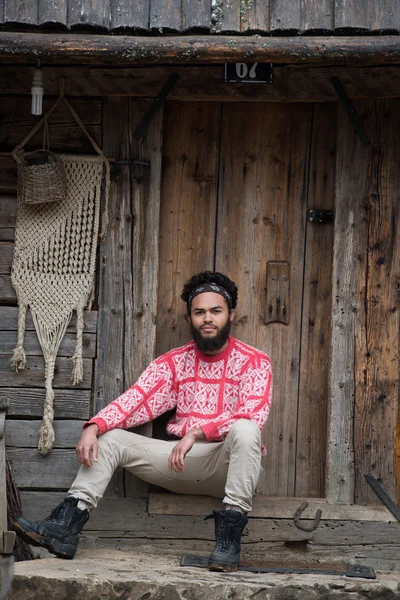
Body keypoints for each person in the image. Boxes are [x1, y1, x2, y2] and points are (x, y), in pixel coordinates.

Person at [13, 271, 273, 572]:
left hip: (229, 467)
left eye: (216, 311)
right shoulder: (174, 362)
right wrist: (95, 426)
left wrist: (197, 433)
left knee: (246, 428)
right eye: (199, 312)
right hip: (181, 464)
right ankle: (66, 526)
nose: (208, 319)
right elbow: (136, 400)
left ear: (230, 314)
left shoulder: (255, 361)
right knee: (110, 439)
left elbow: (254, 413)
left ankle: (228, 546)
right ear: (190, 317)